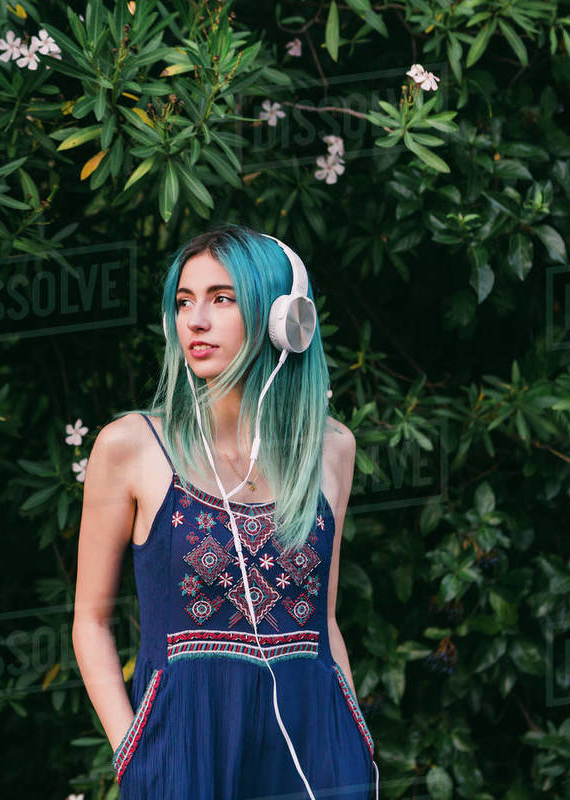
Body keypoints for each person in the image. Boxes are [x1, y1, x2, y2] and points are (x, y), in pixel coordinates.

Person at [71, 224, 379, 799]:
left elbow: (324, 621)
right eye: (184, 301)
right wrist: (132, 753)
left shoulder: (333, 448)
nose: (195, 320)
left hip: (319, 754)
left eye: (222, 298)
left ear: (281, 321)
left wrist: (356, 743)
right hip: (183, 752)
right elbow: (90, 621)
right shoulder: (130, 446)